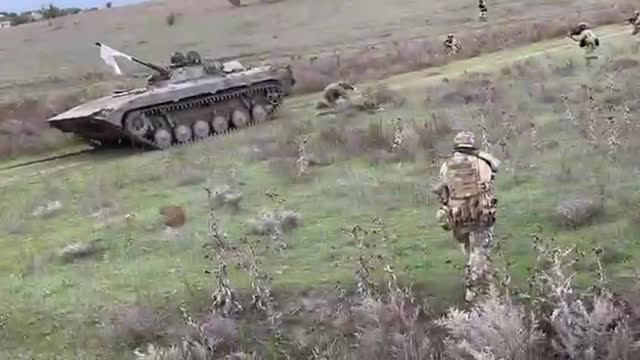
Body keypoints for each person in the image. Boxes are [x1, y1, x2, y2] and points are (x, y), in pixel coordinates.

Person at [433, 131, 500, 302]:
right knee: (479, 251)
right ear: (472, 146)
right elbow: (496, 168)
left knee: (471, 249)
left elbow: (442, 189)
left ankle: (484, 283)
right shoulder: (482, 162)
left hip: (457, 215)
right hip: (480, 213)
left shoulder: (446, 166)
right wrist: (479, 153)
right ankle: (473, 289)